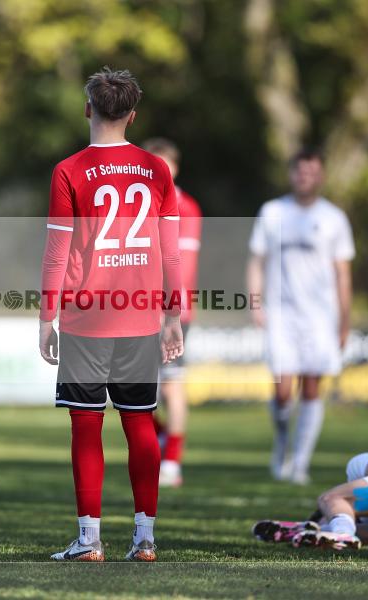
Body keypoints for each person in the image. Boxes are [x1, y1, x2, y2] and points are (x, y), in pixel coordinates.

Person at [39, 68, 183, 562]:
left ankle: (88, 540)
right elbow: (171, 252)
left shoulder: (69, 170)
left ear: (88, 109)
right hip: (141, 318)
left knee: (86, 426)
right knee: (141, 424)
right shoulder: (157, 169)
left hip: (86, 319)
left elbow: (58, 253)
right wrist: (173, 314)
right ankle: (144, 539)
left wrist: (46, 317)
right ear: (133, 115)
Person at [246, 148, 354, 484]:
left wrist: (344, 319)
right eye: (299, 171)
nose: (304, 177)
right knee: (282, 388)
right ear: (291, 174)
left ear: (320, 176)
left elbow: (342, 272)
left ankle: (300, 463)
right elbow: (256, 261)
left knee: (311, 388)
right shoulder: (273, 211)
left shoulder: (334, 217)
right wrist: (255, 301)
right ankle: (282, 445)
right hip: (281, 315)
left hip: (320, 318)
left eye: (311, 172)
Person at [141, 138, 203, 488]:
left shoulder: (186, 207)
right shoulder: (136, 203)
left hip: (171, 313)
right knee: (128, 391)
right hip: (134, 311)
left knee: (172, 388)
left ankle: (173, 464)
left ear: (175, 168)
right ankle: (163, 440)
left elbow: (183, 265)